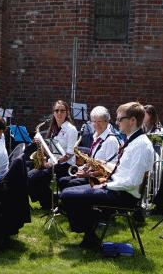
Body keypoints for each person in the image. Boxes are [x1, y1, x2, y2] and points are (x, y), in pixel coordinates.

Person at [59, 102, 155, 249]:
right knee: (68, 191)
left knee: (68, 195)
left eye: (119, 119)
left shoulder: (141, 146)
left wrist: (104, 184)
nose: (116, 123)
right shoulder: (134, 140)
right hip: (117, 188)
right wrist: (104, 163)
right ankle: (90, 232)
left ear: (133, 120)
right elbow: (123, 169)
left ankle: (90, 231)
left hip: (124, 195)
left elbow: (133, 182)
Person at [27, 100, 78, 208]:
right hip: (53, 163)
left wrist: (54, 163)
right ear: (53, 112)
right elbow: (50, 150)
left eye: (62, 111)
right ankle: (49, 202)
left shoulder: (71, 129)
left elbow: (70, 154)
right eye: (57, 110)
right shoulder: (53, 128)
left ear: (67, 113)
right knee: (29, 176)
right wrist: (40, 144)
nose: (59, 113)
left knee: (34, 178)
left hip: (65, 165)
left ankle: (51, 203)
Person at [57, 106, 121, 190]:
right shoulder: (96, 136)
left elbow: (110, 170)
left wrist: (88, 175)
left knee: (69, 184)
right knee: (62, 180)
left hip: (100, 179)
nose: (96, 125)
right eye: (94, 121)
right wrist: (83, 168)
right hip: (92, 173)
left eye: (100, 121)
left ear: (107, 121)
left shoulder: (111, 140)